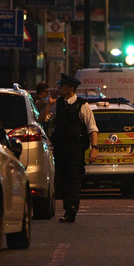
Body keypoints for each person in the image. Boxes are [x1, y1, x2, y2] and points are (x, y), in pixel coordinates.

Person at [52, 74, 99, 223]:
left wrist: (94, 148)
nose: (59, 88)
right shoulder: (58, 104)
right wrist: (47, 105)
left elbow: (92, 128)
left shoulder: (82, 106)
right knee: (63, 179)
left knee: (73, 179)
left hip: (75, 149)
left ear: (70, 88)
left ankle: (71, 208)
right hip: (60, 148)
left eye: (62, 86)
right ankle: (68, 206)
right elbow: (45, 120)